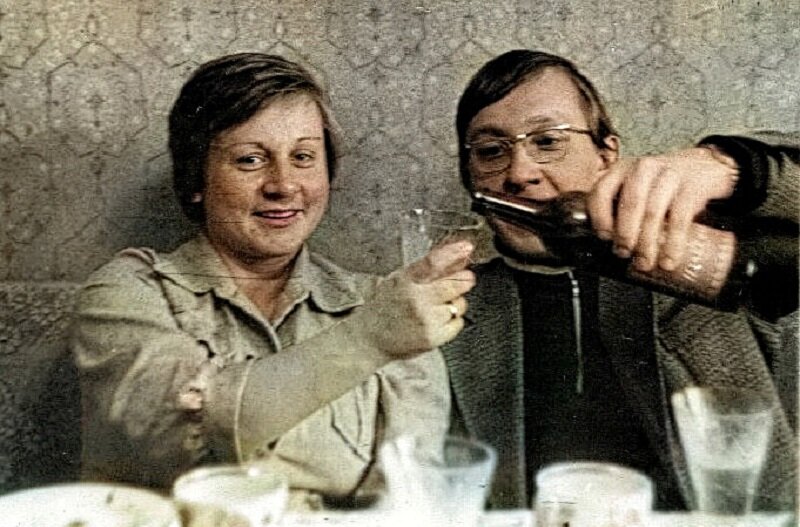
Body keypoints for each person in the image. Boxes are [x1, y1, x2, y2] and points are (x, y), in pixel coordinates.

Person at [70, 53, 475, 504]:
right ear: (195, 178)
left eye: (303, 157)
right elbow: (176, 436)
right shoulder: (129, 292)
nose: (283, 184)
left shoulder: (386, 303)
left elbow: (409, 494)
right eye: (249, 160)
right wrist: (368, 340)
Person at [443, 49, 798, 511]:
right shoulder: (447, 309)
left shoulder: (684, 263)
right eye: (491, 151)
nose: (520, 174)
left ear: (606, 156)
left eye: (548, 141)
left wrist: (734, 167)